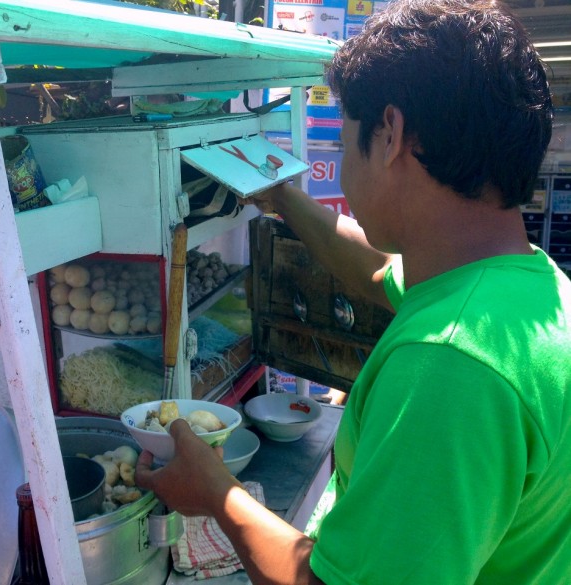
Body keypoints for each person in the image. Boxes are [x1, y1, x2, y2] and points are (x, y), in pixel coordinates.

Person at [135, 0, 571, 583]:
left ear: (389, 134)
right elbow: (375, 271)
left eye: (343, 143)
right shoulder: (521, 286)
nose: (340, 166)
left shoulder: (450, 364)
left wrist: (216, 493)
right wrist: (285, 198)